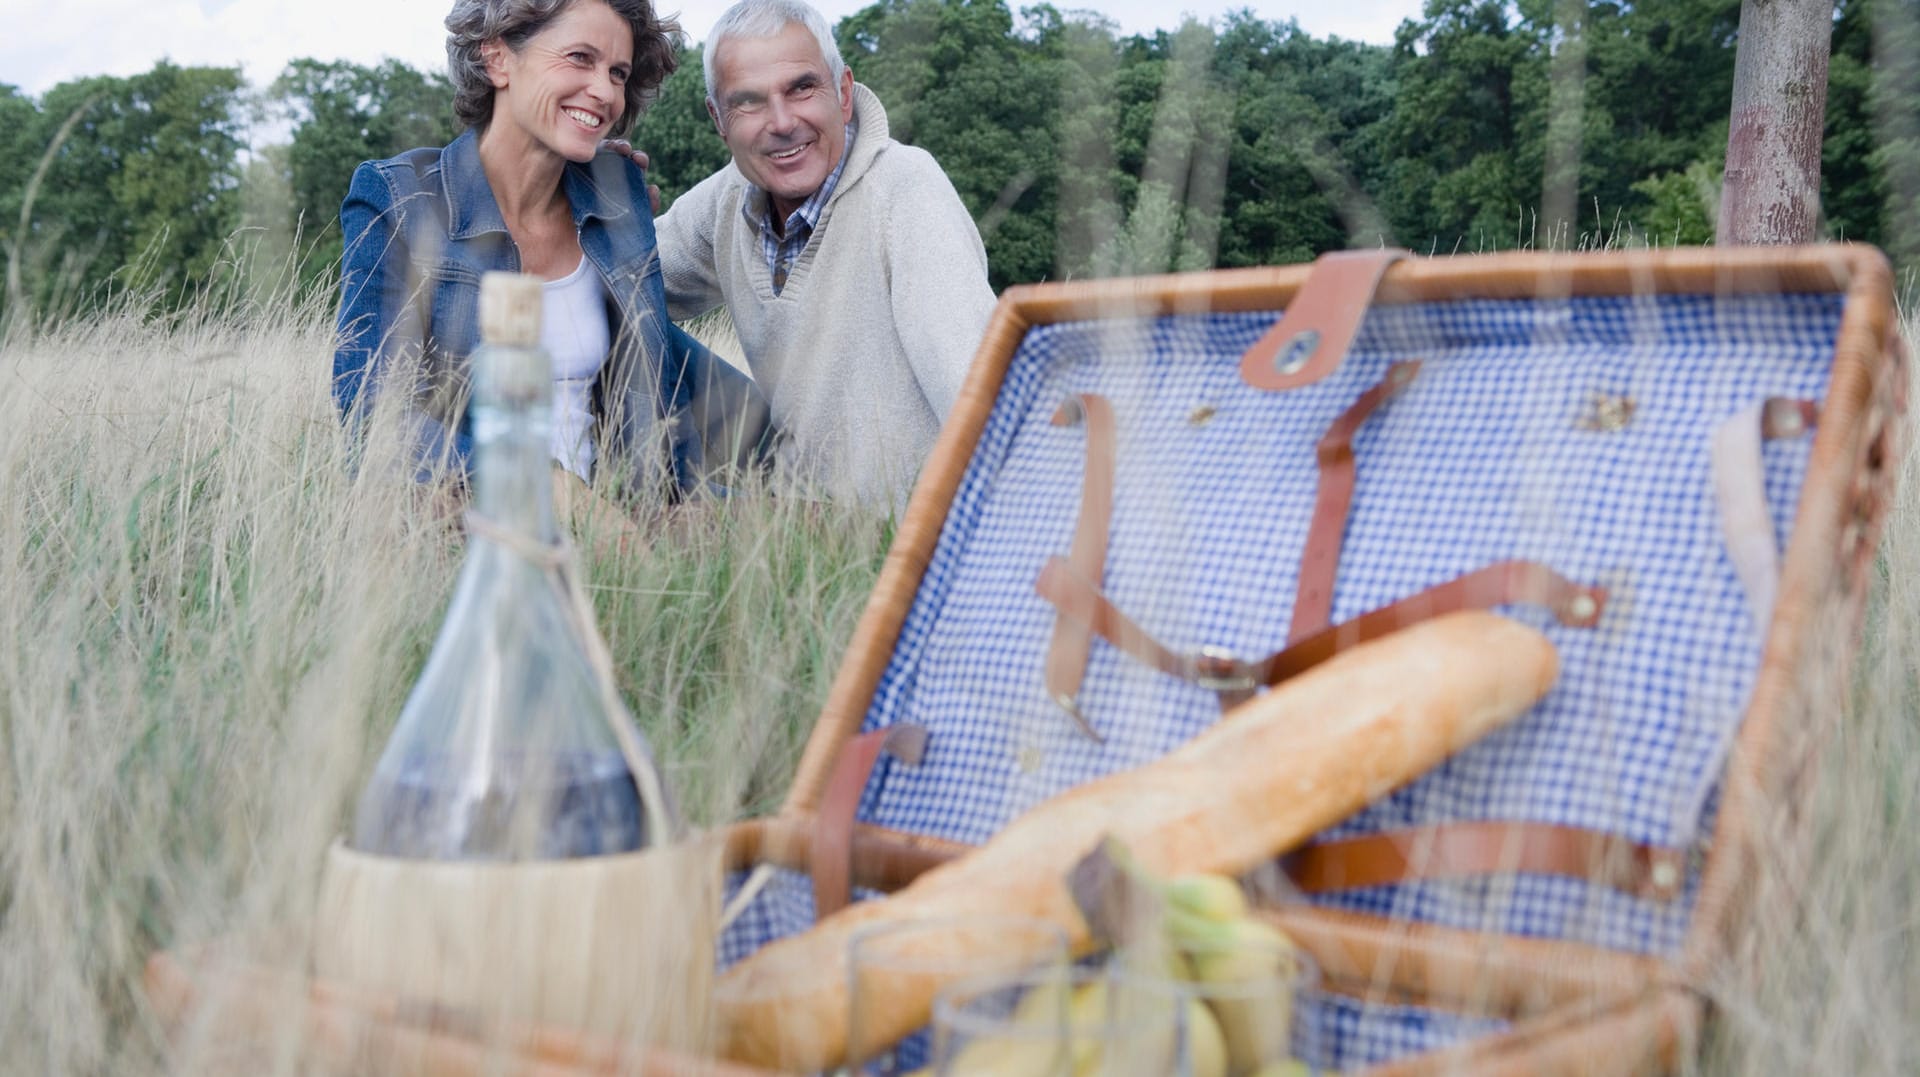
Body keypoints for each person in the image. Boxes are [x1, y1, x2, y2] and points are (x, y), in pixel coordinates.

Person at [332, 0, 769, 510]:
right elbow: (370, 419)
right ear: (497, 59)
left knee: (818, 517)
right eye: (580, 57)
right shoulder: (398, 198)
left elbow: (658, 408)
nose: (605, 91)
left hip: (624, 524)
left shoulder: (618, 194)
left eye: (617, 72)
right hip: (475, 530)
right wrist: (556, 494)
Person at [652, 0, 998, 507]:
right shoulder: (729, 199)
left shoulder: (905, 191)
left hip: (903, 533)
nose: (782, 121)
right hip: (795, 520)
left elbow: (982, 397)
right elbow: (621, 277)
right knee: (615, 321)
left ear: (842, 90)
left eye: (801, 88)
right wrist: (590, 193)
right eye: (747, 101)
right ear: (718, 118)